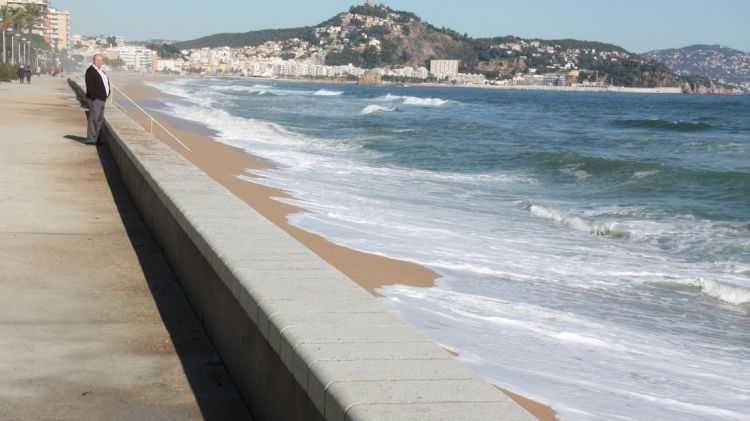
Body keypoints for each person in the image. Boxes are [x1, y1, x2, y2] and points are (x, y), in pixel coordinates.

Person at [84, 54, 110, 145]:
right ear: (93, 60)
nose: (99, 62)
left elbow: (105, 83)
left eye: (101, 60)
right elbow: (90, 86)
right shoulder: (90, 71)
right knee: (93, 119)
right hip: (95, 99)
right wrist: (94, 98)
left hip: (102, 99)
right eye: (97, 60)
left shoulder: (101, 71)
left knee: (99, 119)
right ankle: (91, 139)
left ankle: (96, 138)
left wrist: (107, 94)